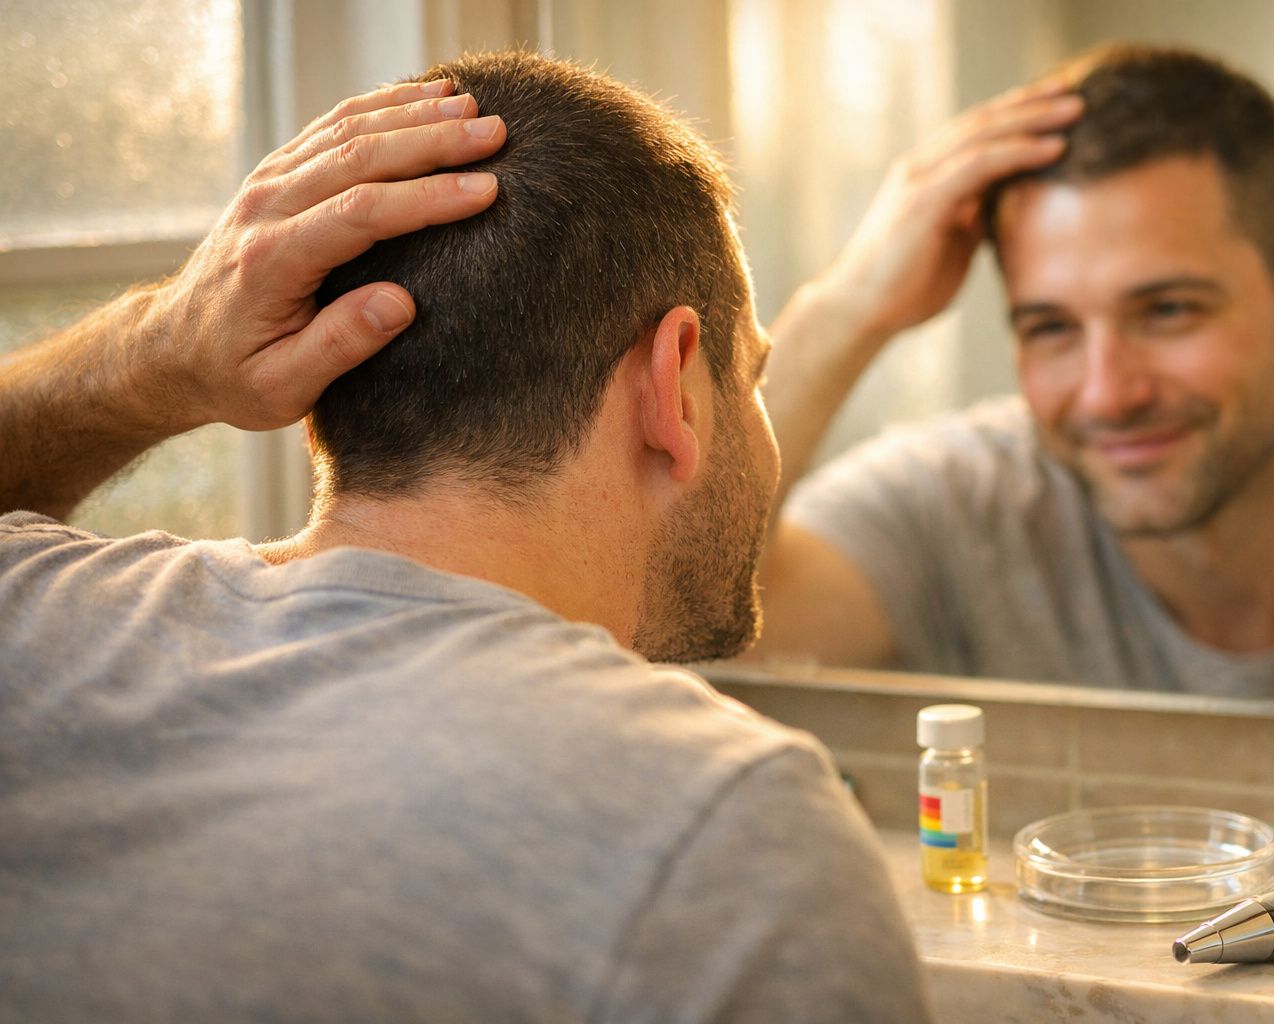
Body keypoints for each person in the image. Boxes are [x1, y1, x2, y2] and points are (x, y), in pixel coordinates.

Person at [0, 52, 932, 1023]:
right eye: (751, 380)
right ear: (678, 384)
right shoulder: (728, 834)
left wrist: (150, 356)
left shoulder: (36, 632)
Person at [756, 44, 1274, 707]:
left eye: (1167, 310)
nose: (1107, 394)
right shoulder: (958, 508)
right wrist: (845, 310)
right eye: (1052, 329)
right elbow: (683, 627)